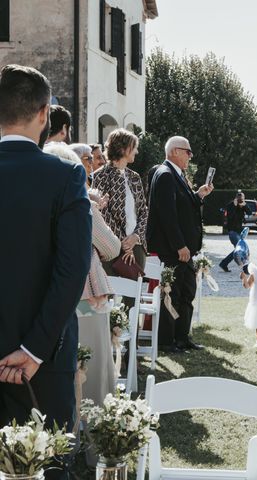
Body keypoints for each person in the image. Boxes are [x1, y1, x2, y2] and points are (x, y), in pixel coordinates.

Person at [0, 65, 92, 479]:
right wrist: (35, 349)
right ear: (44, 113)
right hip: (46, 361)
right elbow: (72, 270)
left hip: (31, 354)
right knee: (51, 466)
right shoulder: (67, 174)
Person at [44, 143, 119, 405]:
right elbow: (112, 247)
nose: (90, 165)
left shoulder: (39, 204)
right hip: (87, 296)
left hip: (48, 299)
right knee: (91, 364)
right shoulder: (83, 203)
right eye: (86, 160)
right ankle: (92, 426)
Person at [146, 136, 213, 353]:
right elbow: (167, 215)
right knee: (170, 294)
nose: (190, 156)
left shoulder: (178, 174)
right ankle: (166, 340)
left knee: (186, 292)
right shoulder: (165, 174)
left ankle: (182, 337)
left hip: (184, 250)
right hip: (173, 250)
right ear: (175, 151)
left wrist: (198, 195)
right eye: (188, 151)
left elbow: (182, 206)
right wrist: (179, 245)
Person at [93, 129, 148, 274]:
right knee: (109, 294)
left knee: (134, 295)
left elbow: (143, 210)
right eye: (134, 147)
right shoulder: (100, 176)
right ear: (123, 148)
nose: (136, 151)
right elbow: (101, 212)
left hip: (136, 245)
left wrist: (136, 236)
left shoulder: (134, 177)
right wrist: (123, 242)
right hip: (111, 246)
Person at [219, 191, 252, 272]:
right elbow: (231, 217)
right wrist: (234, 205)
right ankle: (245, 269)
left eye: (242, 199)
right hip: (232, 231)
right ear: (236, 198)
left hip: (239, 232)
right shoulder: (231, 205)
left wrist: (245, 205)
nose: (240, 200)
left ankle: (224, 263)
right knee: (241, 250)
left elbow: (250, 213)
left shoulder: (243, 205)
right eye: (239, 199)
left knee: (237, 250)